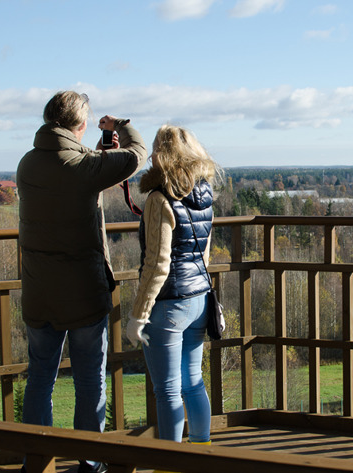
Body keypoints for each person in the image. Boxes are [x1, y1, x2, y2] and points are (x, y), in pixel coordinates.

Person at [17, 90, 147, 473]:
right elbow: (137, 154)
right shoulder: (80, 168)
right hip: (83, 293)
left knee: (40, 377)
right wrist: (121, 127)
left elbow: (76, 167)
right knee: (89, 380)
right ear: (80, 123)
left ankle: (36, 459)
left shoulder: (28, 163)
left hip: (39, 291)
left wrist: (97, 147)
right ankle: (89, 462)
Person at [127, 125, 222, 457]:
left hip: (169, 304)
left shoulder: (159, 197)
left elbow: (157, 263)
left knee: (167, 390)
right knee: (192, 381)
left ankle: (171, 462)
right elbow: (204, 253)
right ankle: (202, 451)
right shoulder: (205, 193)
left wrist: (138, 316)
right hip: (200, 297)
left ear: (161, 154)